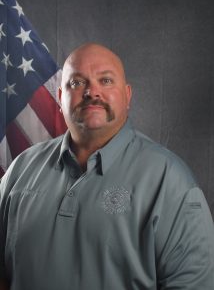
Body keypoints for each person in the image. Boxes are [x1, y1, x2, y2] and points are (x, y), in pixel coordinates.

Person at [0, 43, 214, 290]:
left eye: (106, 81)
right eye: (77, 83)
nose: (92, 92)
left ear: (128, 95)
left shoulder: (170, 181)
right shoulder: (21, 170)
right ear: (60, 97)